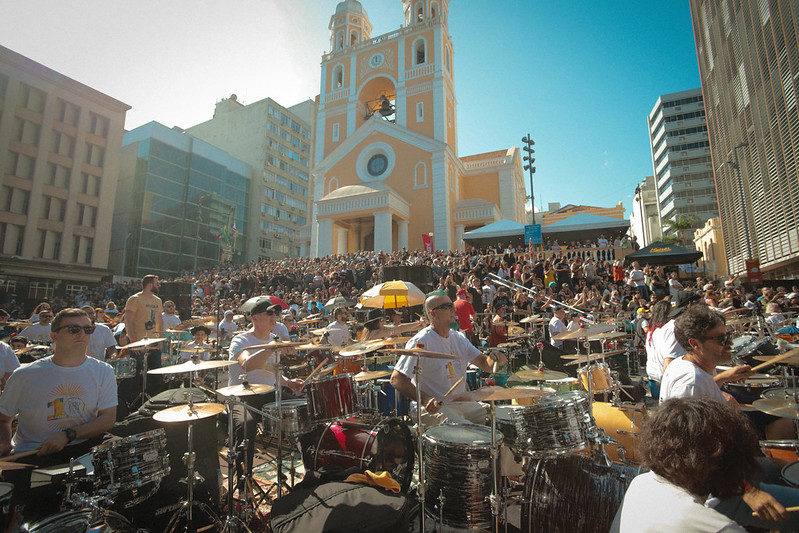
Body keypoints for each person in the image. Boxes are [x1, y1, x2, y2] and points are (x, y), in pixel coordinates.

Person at [0, 308, 117, 520]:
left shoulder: (104, 371)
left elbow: (108, 418)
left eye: (87, 329)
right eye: (73, 329)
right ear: (54, 336)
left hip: (83, 450)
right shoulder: (24, 375)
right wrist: (4, 445)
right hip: (34, 453)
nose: (82, 334)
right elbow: (4, 419)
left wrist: (67, 435)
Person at [612, 397, 792, 532]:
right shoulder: (721, 529)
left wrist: (747, 490)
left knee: (769, 467)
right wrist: (747, 489)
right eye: (722, 343)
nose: (727, 345)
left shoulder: (640, 483)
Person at [661, 305, 794, 440]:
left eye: (728, 335)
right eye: (721, 339)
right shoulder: (690, 382)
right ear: (695, 344)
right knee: (780, 414)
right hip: (715, 452)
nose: (730, 343)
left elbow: (705, 388)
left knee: (775, 411)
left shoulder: (683, 363)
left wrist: (724, 377)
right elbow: (688, 440)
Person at [390, 293, 506, 426]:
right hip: (431, 408)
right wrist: (425, 399)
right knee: (467, 431)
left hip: (460, 402)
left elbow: (484, 363)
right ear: (433, 314)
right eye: (448, 306)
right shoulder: (421, 341)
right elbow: (396, 379)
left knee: (497, 420)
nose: (454, 309)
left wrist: (495, 359)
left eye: (452, 305)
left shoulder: (459, 338)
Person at [228, 301, 303, 474]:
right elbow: (247, 364)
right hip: (243, 396)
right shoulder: (240, 340)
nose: (274, 317)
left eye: (275, 314)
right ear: (255, 318)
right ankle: (242, 481)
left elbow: (271, 371)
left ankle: (311, 466)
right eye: (269, 314)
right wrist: (272, 348)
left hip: (270, 393)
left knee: (306, 409)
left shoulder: (272, 340)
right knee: (246, 425)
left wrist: (288, 382)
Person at [122, 274, 164, 398]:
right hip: (138, 341)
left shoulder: (158, 300)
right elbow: (128, 321)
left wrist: (160, 338)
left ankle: (155, 399)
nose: (159, 286)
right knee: (137, 373)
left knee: (156, 372)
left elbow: (159, 320)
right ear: (150, 285)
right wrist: (133, 342)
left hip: (153, 342)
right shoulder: (135, 299)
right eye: (157, 283)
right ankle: (133, 400)